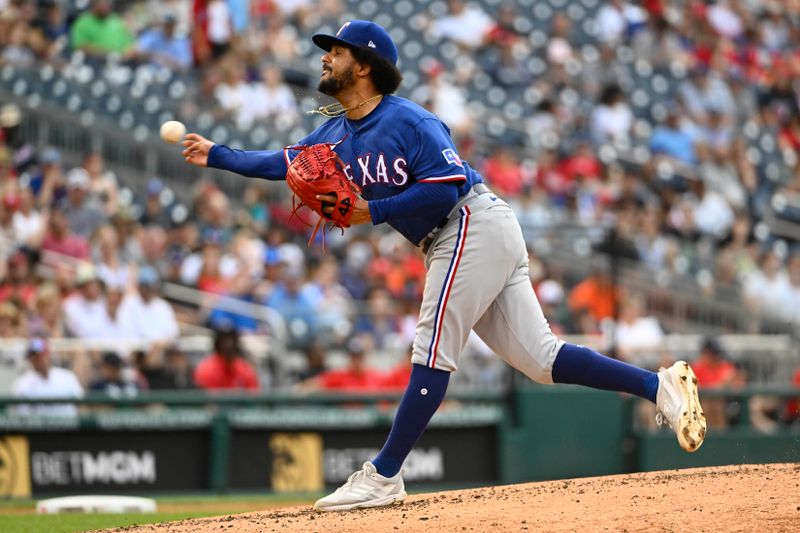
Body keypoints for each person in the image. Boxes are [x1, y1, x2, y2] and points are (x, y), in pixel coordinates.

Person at [181, 20, 706, 511]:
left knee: (433, 345)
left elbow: (450, 182)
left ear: (363, 65)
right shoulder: (334, 135)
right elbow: (283, 163)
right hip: (463, 234)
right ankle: (658, 387)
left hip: (469, 220)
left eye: (336, 52)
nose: (326, 59)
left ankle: (384, 473)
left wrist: (375, 209)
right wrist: (218, 154)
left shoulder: (409, 119)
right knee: (541, 360)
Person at [12, 338, 83, 417]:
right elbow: (22, 415)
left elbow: (81, 405)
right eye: (34, 356)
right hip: (38, 427)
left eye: (42, 354)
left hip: (69, 426)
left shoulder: (67, 377)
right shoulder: (22, 383)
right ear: (30, 359)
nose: (39, 359)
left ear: (48, 354)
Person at [193, 326, 259, 390]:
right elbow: (206, 398)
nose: (229, 345)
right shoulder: (206, 369)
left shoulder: (244, 368)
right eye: (225, 341)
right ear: (218, 344)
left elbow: (253, 394)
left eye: (232, 340)